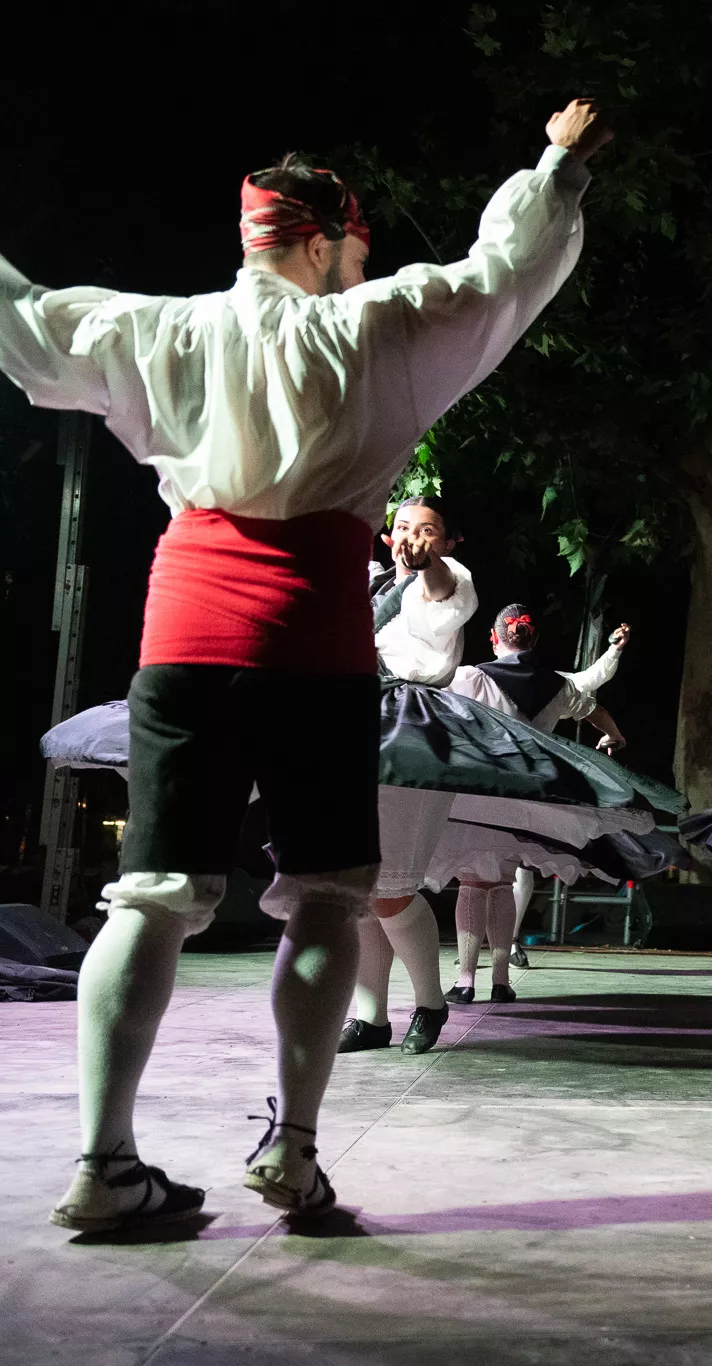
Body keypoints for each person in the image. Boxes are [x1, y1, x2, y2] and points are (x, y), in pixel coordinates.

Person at [5, 101, 610, 1231]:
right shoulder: (370, 328)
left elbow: (25, 318)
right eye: (356, 249)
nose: (361, 266)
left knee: (151, 895)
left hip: (185, 630)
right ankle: (292, 1151)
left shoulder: (164, 331)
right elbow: (502, 273)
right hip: (314, 641)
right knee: (329, 896)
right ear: (325, 242)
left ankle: (103, 1162)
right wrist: (555, 165)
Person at [342, 494, 477, 1057]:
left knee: (392, 888)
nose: (412, 537)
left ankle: (430, 1002)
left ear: (448, 542)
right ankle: (369, 1017)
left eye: (427, 530)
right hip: (352, 729)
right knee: (355, 886)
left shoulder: (450, 578)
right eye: (403, 527)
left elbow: (440, 591)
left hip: (415, 733)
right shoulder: (371, 583)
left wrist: (428, 565)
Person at [442, 605, 631, 1001]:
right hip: (527, 799)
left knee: (473, 884)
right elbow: (596, 711)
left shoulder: (470, 677)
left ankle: (465, 982)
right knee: (502, 883)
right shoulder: (557, 686)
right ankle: (501, 982)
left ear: (494, 638)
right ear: (535, 639)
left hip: (479, 795)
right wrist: (614, 736)